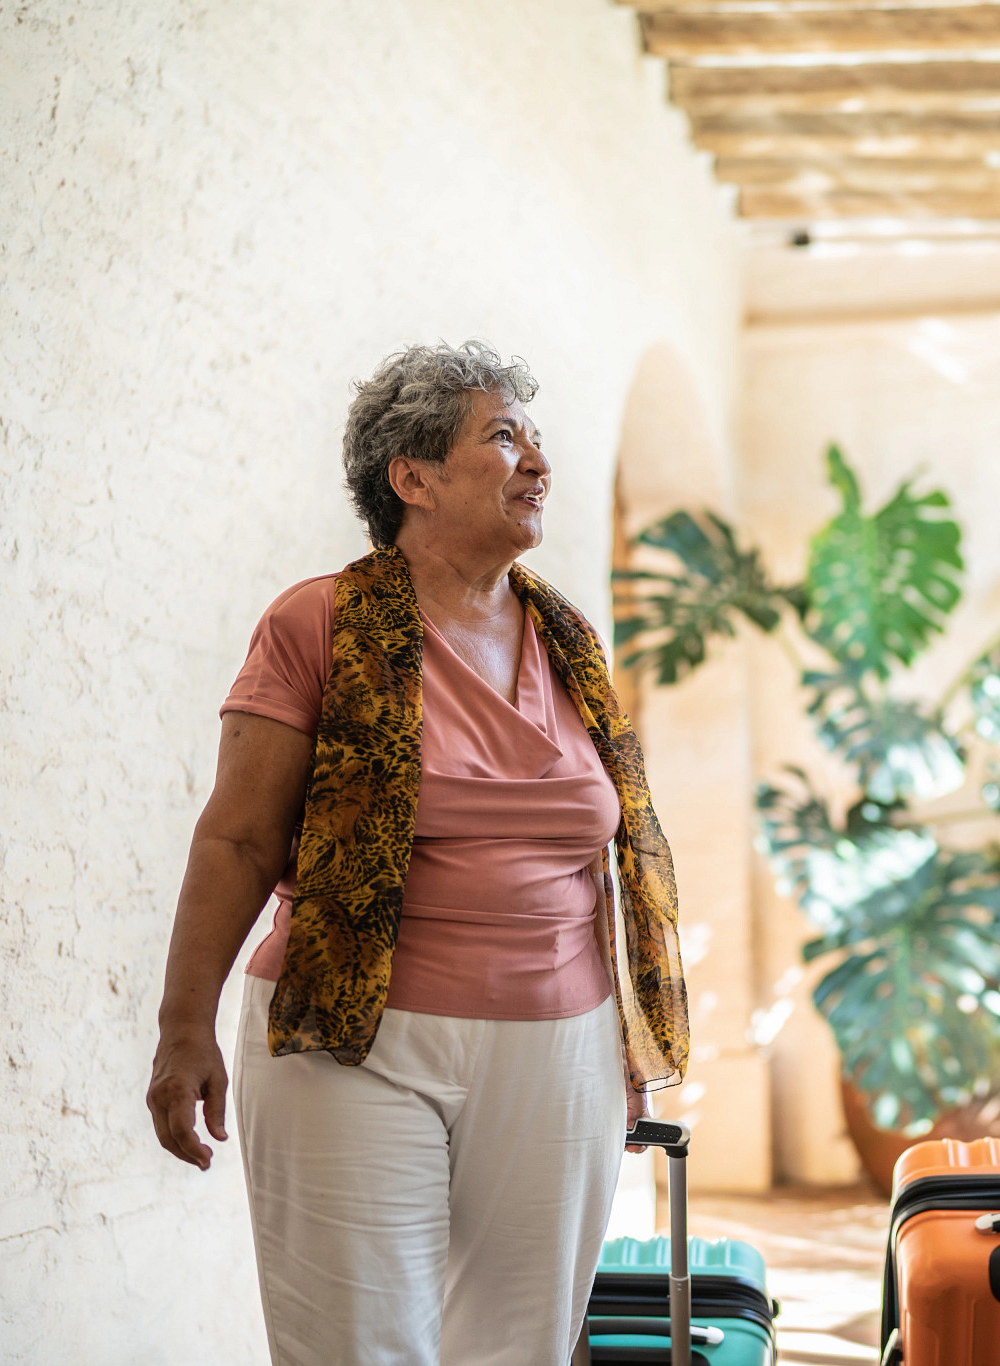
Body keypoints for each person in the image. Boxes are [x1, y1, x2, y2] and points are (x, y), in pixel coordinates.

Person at [144, 341, 687, 1366]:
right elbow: (239, 835)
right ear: (414, 478)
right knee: (359, 1348)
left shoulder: (568, 639)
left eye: (536, 440)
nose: (537, 463)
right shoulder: (317, 624)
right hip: (353, 1045)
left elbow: (596, 858)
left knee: (518, 1349)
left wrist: (624, 1043)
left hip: (557, 1044)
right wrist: (183, 1028)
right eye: (503, 437)